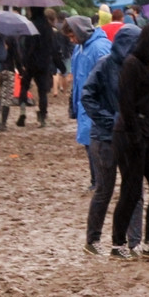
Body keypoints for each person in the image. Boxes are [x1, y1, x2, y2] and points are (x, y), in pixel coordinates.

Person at [110, 22, 149, 261]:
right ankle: (118, 244)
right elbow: (126, 104)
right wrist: (135, 134)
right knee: (131, 189)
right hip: (130, 135)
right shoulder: (131, 65)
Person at [81, 26, 144, 256]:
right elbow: (87, 95)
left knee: (134, 190)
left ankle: (134, 242)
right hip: (104, 139)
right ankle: (92, 240)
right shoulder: (105, 64)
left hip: (130, 139)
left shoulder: (139, 67)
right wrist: (109, 121)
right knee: (105, 189)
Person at [65, 16, 112, 189]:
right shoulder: (79, 48)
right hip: (84, 104)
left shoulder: (100, 47)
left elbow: (108, 76)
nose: (72, 40)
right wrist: (74, 102)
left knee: (97, 144)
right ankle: (96, 180)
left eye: (72, 36)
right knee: (88, 143)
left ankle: (101, 181)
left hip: (97, 104)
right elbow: (77, 78)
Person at [17, 7, 65, 128]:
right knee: (42, 92)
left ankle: (22, 113)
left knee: (24, 86)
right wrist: (61, 66)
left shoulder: (30, 26)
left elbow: (25, 46)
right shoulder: (48, 28)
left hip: (30, 63)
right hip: (44, 64)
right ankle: (42, 117)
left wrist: (23, 62)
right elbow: (54, 49)